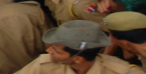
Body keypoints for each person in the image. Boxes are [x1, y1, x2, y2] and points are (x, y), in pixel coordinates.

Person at [15, 20, 144, 74]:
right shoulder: (43, 65)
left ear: (77, 59)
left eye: (56, 51)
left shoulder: (123, 72)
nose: (48, 51)